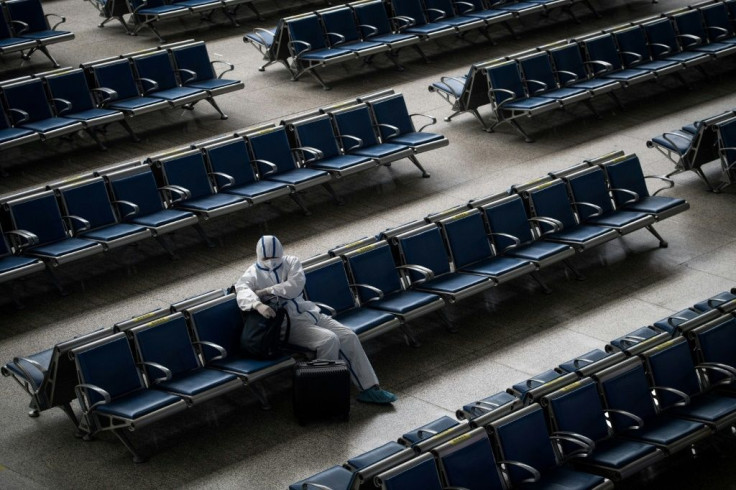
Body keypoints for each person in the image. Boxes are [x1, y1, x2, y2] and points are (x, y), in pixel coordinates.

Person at [234, 235, 397, 405]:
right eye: (266, 258)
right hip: (288, 325)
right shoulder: (252, 273)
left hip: (310, 312)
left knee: (348, 336)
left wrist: (267, 291)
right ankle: (323, 395)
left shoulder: (291, 262)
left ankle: (370, 388)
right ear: (259, 256)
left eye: (274, 257)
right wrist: (256, 305)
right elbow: (242, 291)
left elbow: (295, 286)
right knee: (328, 340)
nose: (270, 261)